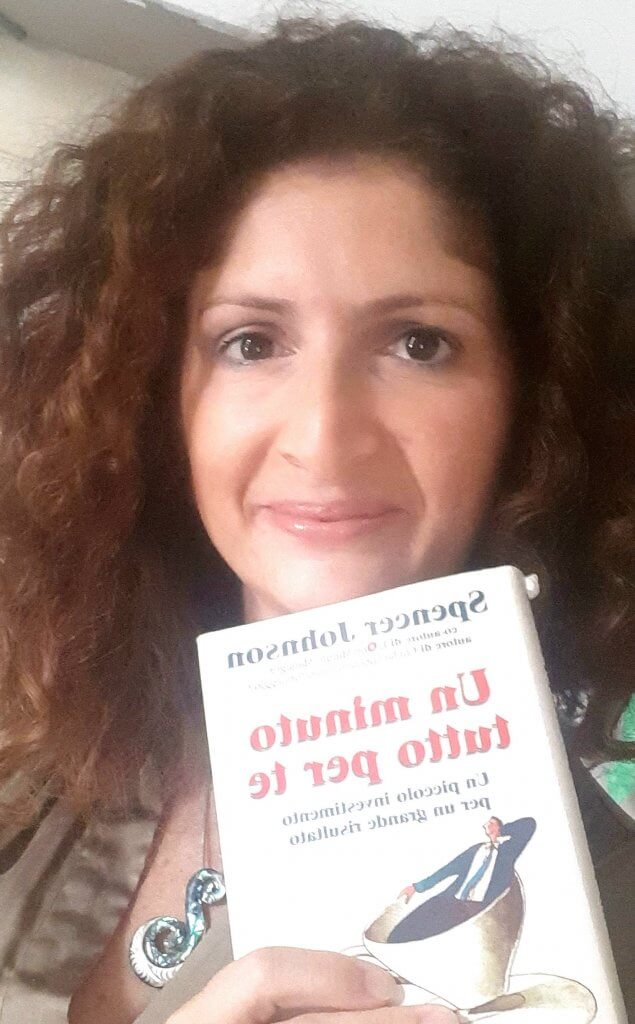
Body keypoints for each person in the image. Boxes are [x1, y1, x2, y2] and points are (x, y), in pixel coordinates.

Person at [0, 15, 633, 1024]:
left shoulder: (598, 887)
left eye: (418, 343)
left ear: (533, 397)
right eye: (250, 342)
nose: (325, 437)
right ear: (151, 391)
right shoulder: (47, 708)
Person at [390, 816, 536, 941]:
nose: (487, 825)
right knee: (404, 929)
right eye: (487, 823)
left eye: (492, 823)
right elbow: (447, 870)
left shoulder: (507, 852)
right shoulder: (476, 850)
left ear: (499, 827)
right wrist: (416, 887)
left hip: (473, 909)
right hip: (450, 898)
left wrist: (501, 831)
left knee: (435, 933)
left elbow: (529, 824)